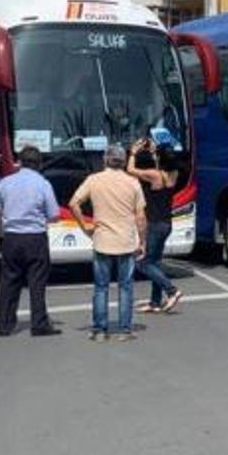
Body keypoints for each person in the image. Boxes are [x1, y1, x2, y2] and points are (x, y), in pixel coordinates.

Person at [69, 145, 147, 343]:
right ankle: (124, 330)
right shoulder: (133, 183)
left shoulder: (94, 180)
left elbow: (73, 203)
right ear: (123, 161)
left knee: (101, 287)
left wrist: (85, 226)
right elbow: (141, 216)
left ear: (105, 160)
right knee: (125, 287)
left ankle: (99, 329)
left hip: (102, 240)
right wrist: (142, 240)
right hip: (126, 242)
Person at [0, 147, 61, 337]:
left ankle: (4, 324)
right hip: (35, 237)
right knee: (37, 282)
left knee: (9, 281)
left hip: (12, 237)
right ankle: (39, 323)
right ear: (39, 164)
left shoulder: (5, 183)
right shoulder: (43, 184)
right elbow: (54, 214)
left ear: (19, 162)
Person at [126, 138, 184, 314]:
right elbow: (162, 165)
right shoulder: (173, 174)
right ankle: (155, 302)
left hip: (155, 224)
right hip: (167, 223)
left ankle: (172, 290)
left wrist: (133, 153)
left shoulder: (154, 175)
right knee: (156, 262)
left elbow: (130, 170)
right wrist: (154, 153)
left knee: (143, 263)